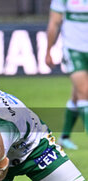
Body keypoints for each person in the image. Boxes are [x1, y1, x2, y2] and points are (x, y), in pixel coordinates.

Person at [45, 0, 88, 150]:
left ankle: (64, 137)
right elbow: (54, 22)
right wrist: (48, 50)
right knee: (85, 92)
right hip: (73, 49)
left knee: (77, 95)